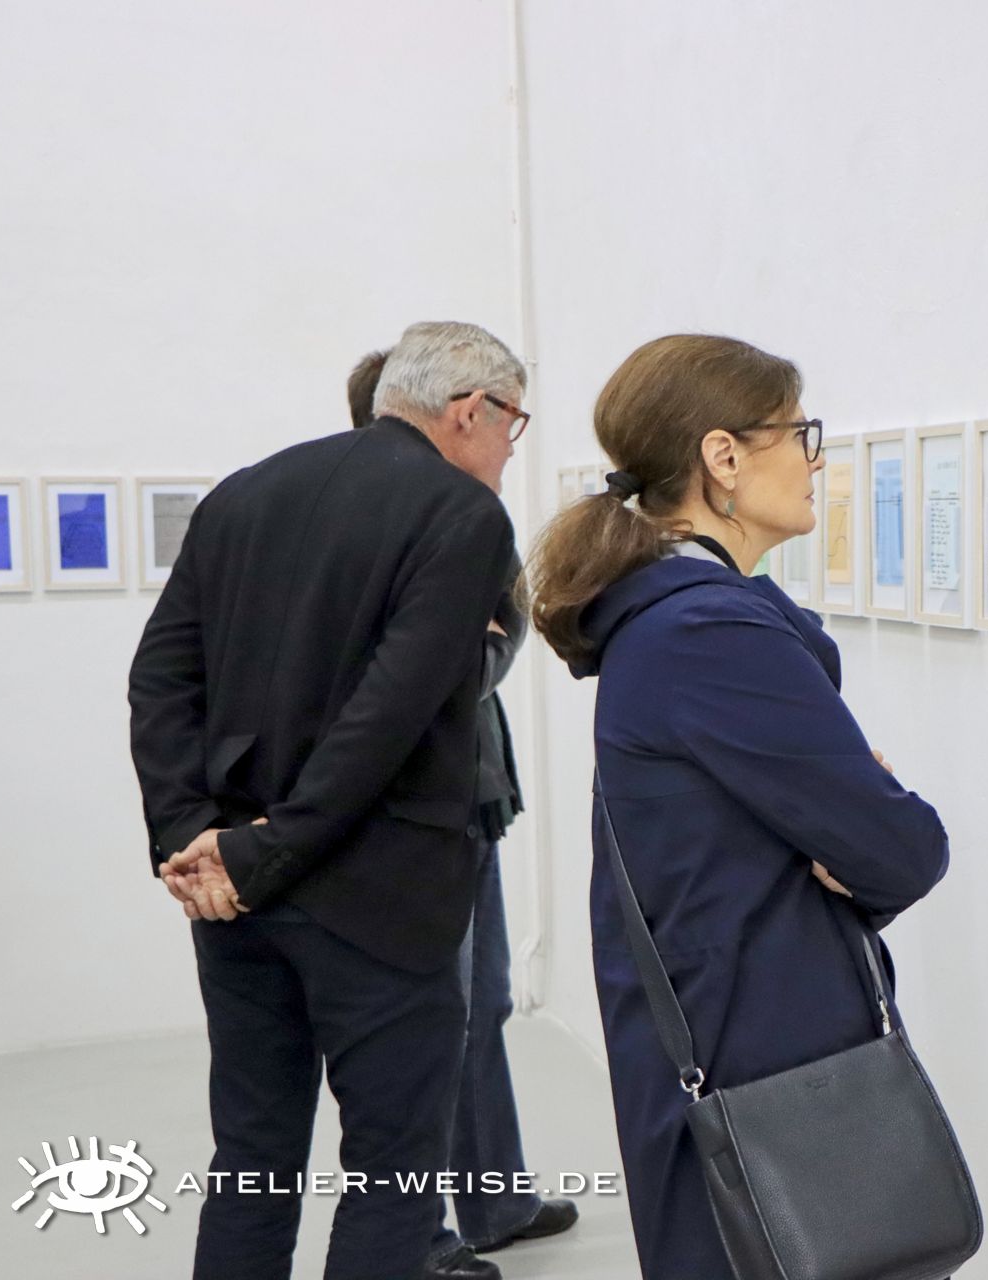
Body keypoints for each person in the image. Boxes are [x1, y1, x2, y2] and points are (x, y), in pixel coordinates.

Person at [523, 334, 952, 1279]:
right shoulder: (707, 629)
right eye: (800, 434)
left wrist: (847, 817)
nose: (814, 460)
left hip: (735, 1029)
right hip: (760, 1052)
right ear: (723, 457)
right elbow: (904, 848)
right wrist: (859, 823)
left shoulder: (677, 616)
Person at [129, 321, 526, 1280]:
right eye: (513, 422)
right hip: (376, 898)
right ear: (469, 410)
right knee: (393, 1176)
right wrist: (261, 848)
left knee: (251, 1160)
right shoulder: (463, 516)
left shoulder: (243, 493)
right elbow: (388, 718)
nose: (512, 447)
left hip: (233, 896)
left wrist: (193, 835)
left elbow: (161, 680)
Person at [345, 350, 580, 1280]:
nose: (510, 442)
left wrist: (491, 633)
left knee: (482, 1006)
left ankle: (494, 1201)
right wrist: (484, 636)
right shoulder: (407, 525)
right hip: (419, 811)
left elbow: (491, 641)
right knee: (430, 1022)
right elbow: (444, 671)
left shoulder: (462, 520)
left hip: (473, 796)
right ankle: (425, 1232)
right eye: (504, 420)